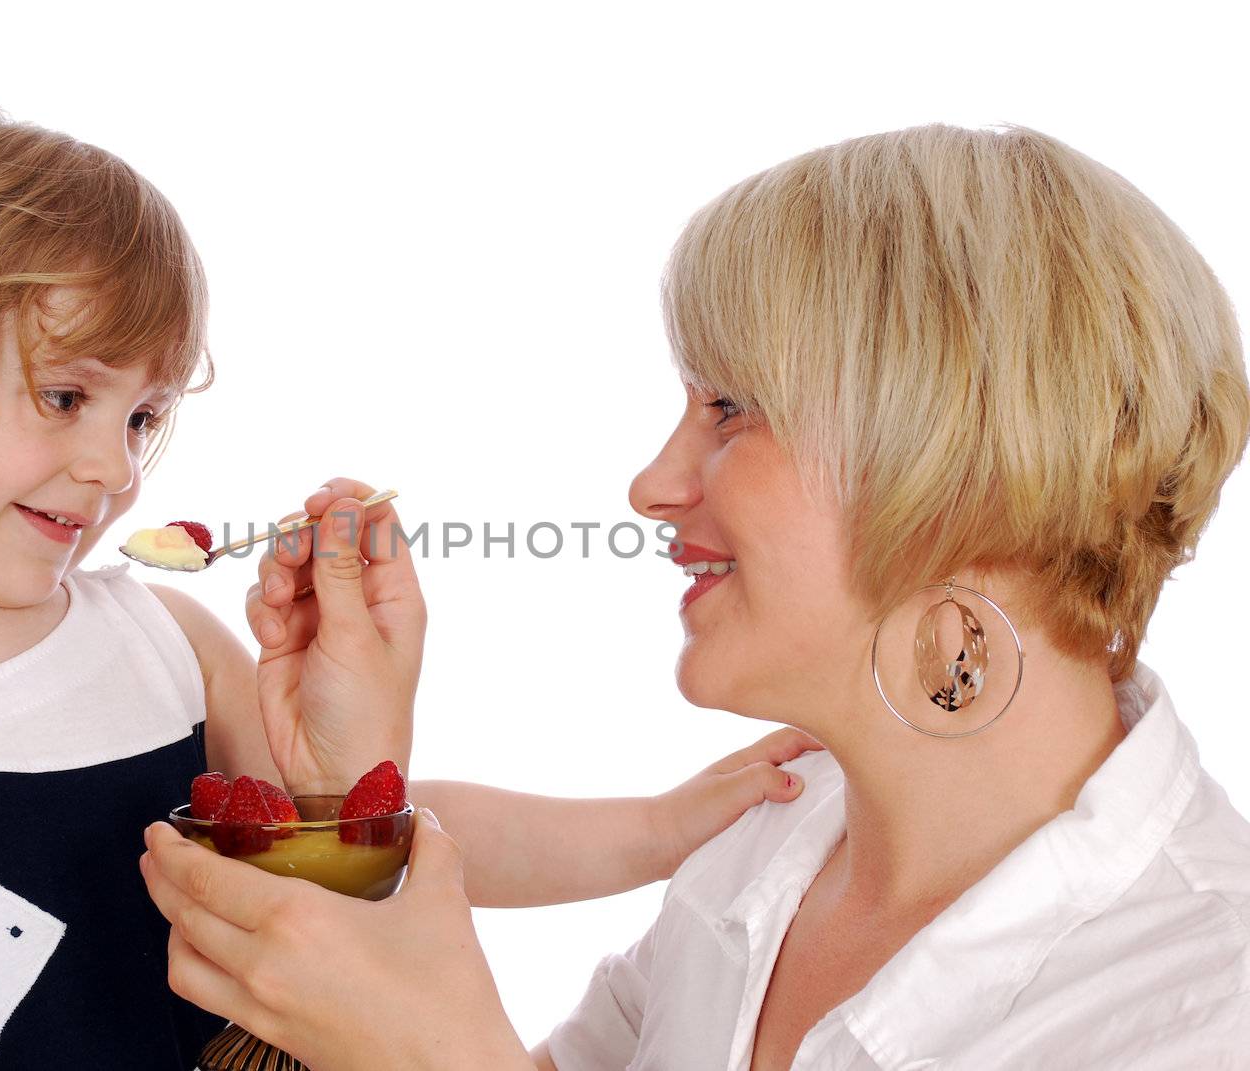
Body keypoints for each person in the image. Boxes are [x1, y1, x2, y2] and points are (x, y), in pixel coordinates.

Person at [0, 99, 815, 1068]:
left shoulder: (157, 642)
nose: (113, 469)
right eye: (67, 397)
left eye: (144, 415)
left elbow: (383, 847)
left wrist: (658, 831)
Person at [141, 124, 1250, 1069]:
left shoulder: (1202, 1002)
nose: (651, 486)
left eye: (728, 409)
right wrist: (349, 801)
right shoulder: (764, 850)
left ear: (962, 465)